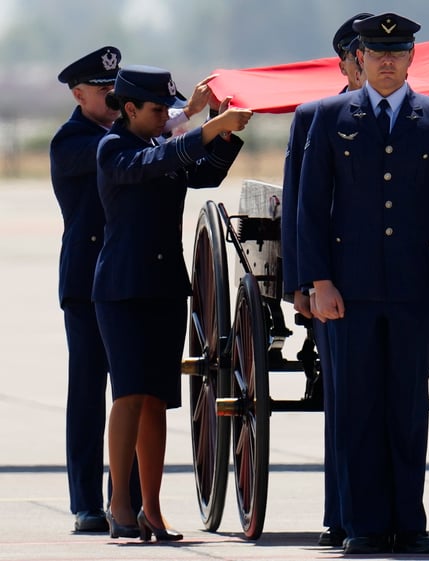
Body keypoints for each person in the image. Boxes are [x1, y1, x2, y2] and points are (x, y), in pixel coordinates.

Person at [297, 12, 429, 555]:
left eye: (396, 53)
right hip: (348, 290)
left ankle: (410, 523)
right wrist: (318, 281)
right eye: (375, 53)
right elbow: (311, 208)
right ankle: (364, 524)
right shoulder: (331, 117)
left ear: (409, 59)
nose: (385, 61)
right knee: (356, 408)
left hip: (413, 286)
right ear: (358, 60)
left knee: (407, 407)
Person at [50, 46, 215, 533]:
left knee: (140, 392)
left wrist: (197, 119)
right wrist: (192, 119)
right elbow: (145, 156)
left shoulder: (134, 134)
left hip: (143, 276)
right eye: (103, 91)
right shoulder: (77, 141)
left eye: (114, 89)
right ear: (79, 95)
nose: (109, 97)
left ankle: (132, 501)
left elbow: (158, 146)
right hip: (91, 281)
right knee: (90, 392)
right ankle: (88, 501)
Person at [94, 65, 252, 541]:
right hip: (123, 290)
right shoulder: (114, 149)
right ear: (129, 109)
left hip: (164, 286)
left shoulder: (159, 146)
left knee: (157, 400)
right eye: (158, 109)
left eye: (168, 108)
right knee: (128, 393)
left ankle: (151, 509)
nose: (166, 116)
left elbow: (204, 175)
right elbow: (156, 164)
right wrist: (208, 127)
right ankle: (120, 502)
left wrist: (225, 133)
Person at [281, 12, 371, 548]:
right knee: (343, 402)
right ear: (344, 61)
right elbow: (300, 205)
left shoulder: (419, 112)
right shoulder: (316, 115)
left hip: (399, 278)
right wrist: (301, 283)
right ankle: (341, 514)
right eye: (361, 54)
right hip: (333, 282)